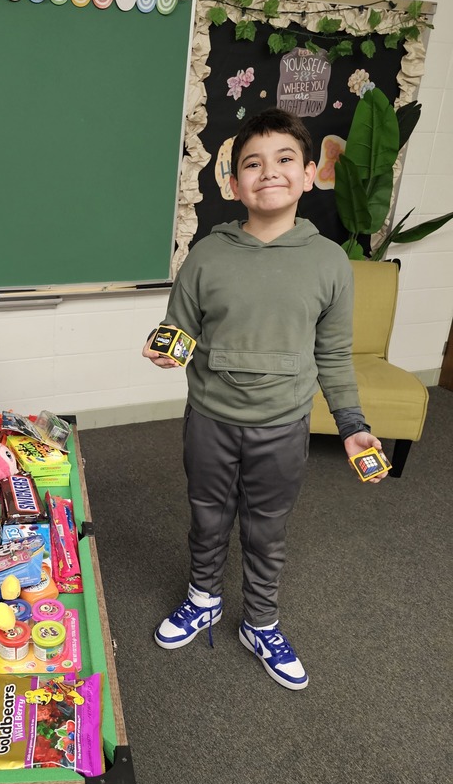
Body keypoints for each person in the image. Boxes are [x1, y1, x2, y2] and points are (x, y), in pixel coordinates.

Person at [143, 107, 387, 691]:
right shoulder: (206, 254)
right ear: (233, 184)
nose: (268, 172)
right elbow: (180, 329)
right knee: (207, 513)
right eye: (252, 163)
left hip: (283, 425)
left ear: (309, 174)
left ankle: (261, 621)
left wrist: (351, 423)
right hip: (210, 419)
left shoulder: (330, 261)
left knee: (267, 526)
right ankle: (203, 596)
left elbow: (333, 353)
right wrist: (165, 350)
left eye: (284, 161)